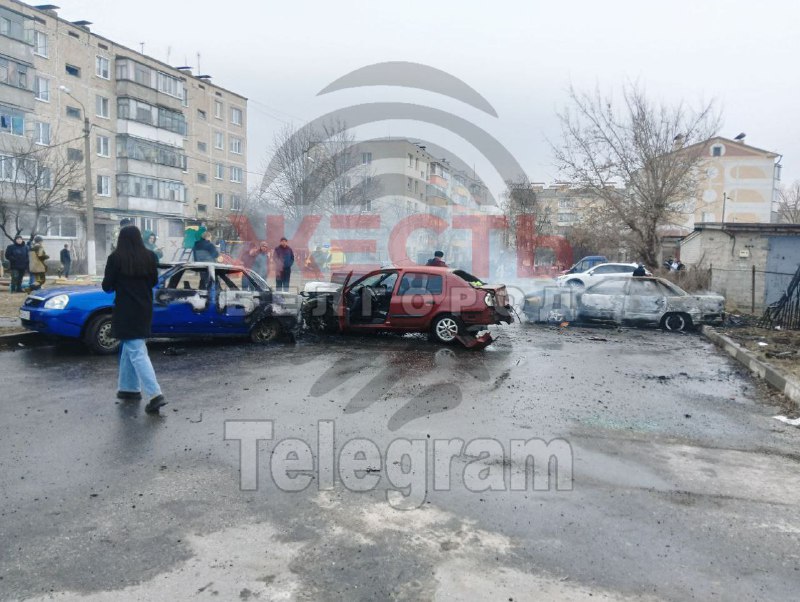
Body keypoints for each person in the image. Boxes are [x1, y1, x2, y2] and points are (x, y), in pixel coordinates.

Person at [101, 226, 166, 414]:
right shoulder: (150, 257)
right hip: (144, 309)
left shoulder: (115, 258)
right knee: (129, 347)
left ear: (121, 239)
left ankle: (155, 395)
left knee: (136, 350)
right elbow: (154, 282)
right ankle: (128, 388)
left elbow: (107, 287)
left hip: (126, 310)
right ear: (139, 238)